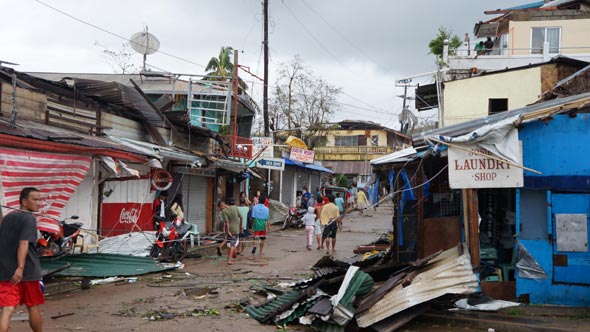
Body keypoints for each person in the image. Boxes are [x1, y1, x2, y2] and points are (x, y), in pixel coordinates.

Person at [0, 187, 44, 332]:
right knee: (32, 306)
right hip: (28, 270)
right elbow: (23, 243)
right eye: (35, 199)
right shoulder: (29, 218)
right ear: (24, 201)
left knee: (7, 309)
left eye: (39, 199)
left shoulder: (7, 218)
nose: (39, 203)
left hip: (7, 271)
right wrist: (20, 267)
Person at [217, 201, 242, 265]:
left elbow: (227, 222)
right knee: (232, 245)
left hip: (229, 229)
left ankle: (229, 258)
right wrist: (241, 226)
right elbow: (241, 217)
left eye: (220, 208)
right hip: (235, 229)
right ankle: (229, 260)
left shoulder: (224, 211)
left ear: (221, 206)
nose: (220, 209)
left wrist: (227, 231)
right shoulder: (235, 207)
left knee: (229, 244)